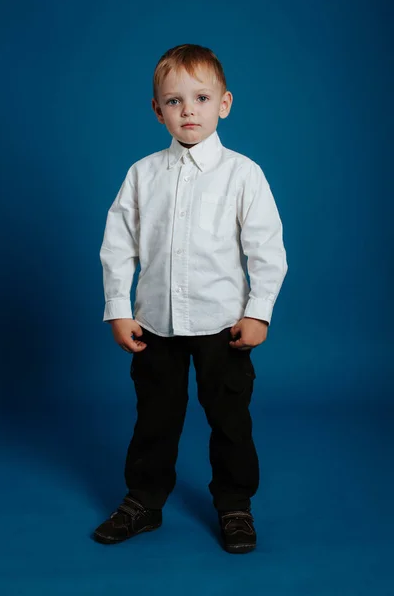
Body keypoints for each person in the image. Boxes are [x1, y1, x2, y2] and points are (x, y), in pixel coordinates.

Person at [94, 43, 288, 554]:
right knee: (154, 418)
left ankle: (234, 505)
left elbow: (267, 249)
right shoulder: (142, 174)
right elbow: (118, 246)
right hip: (155, 325)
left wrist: (258, 312)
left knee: (229, 421)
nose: (188, 111)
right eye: (174, 101)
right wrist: (118, 308)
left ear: (224, 103)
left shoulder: (243, 175)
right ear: (157, 111)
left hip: (223, 327)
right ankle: (144, 500)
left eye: (200, 98)